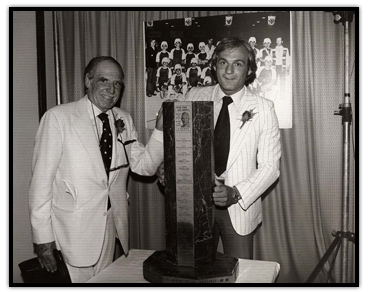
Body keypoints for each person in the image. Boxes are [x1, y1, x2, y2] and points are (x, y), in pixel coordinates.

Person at [29, 56, 164, 283]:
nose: (111, 90)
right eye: (104, 81)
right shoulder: (58, 118)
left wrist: (159, 131)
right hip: (71, 232)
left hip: (109, 228)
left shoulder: (123, 119)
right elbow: (40, 184)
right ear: (88, 81)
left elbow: (144, 167)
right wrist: (43, 238)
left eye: (117, 84)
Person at [157, 37, 281, 260]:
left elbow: (270, 167)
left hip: (239, 208)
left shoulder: (264, 108)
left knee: (241, 273)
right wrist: (168, 167)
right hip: (193, 204)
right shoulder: (194, 96)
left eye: (238, 64)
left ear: (249, 69)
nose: (229, 71)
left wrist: (236, 193)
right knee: (193, 270)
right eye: (223, 63)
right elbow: (179, 144)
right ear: (214, 66)